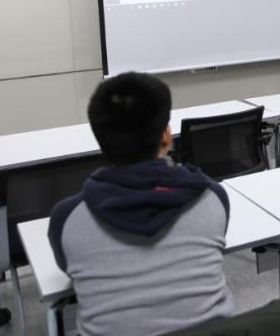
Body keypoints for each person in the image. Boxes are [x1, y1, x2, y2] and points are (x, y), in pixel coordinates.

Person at [49, 72, 234, 336]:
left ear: (100, 139)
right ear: (166, 135)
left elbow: (69, 269)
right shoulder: (212, 197)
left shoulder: (66, 218)